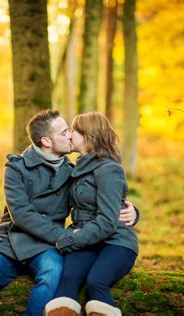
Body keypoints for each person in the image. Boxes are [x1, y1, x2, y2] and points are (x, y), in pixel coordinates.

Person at [0, 110, 138, 316]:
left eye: (70, 131)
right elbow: (21, 214)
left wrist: (133, 211)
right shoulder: (16, 167)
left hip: (47, 245)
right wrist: (66, 237)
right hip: (9, 241)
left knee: (52, 274)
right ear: (46, 140)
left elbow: (99, 196)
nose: (69, 136)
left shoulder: (73, 171)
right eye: (64, 132)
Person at [44, 112, 139, 316]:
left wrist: (71, 239)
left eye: (73, 131)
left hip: (116, 241)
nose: (69, 135)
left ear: (89, 135)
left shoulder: (108, 169)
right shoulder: (77, 167)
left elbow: (107, 221)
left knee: (96, 281)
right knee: (68, 279)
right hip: (87, 239)